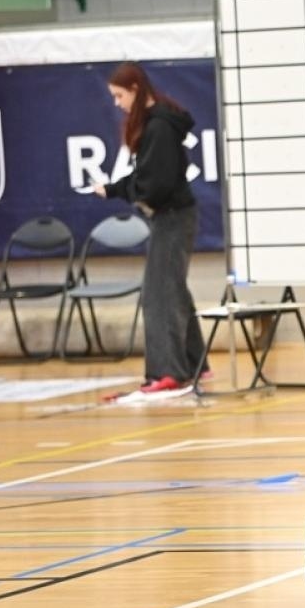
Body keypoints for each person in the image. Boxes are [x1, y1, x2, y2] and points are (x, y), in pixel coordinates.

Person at [94, 62, 209, 394]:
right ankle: (195, 363)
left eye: (119, 96)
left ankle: (169, 371)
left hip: (172, 216)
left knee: (158, 296)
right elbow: (148, 175)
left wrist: (126, 191)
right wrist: (115, 188)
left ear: (134, 89)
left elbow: (155, 186)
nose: (117, 103)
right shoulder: (159, 123)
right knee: (173, 290)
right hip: (173, 215)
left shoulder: (158, 127)